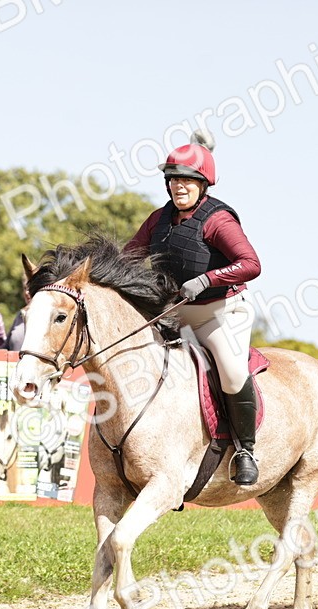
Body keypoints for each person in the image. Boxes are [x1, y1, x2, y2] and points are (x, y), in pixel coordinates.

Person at [124, 134, 262, 485]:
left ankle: (245, 450)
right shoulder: (159, 220)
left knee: (231, 371)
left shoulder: (218, 221)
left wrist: (207, 279)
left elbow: (251, 264)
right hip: (177, 313)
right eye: (172, 179)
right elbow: (129, 256)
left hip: (222, 312)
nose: (178, 186)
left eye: (186, 179)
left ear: (203, 184)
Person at [6, 277, 31, 352]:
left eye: (31, 288)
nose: (27, 292)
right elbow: (5, 347)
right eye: (25, 288)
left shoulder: (50, 318)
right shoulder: (20, 315)